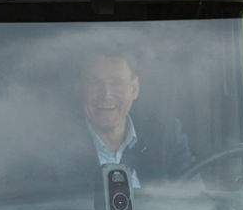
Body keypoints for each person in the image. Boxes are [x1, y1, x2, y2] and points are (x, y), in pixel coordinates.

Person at [76, 52, 195, 187]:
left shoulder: (166, 137)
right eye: (94, 84)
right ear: (80, 90)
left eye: (116, 83)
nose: (106, 95)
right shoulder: (55, 149)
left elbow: (196, 198)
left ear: (134, 89)